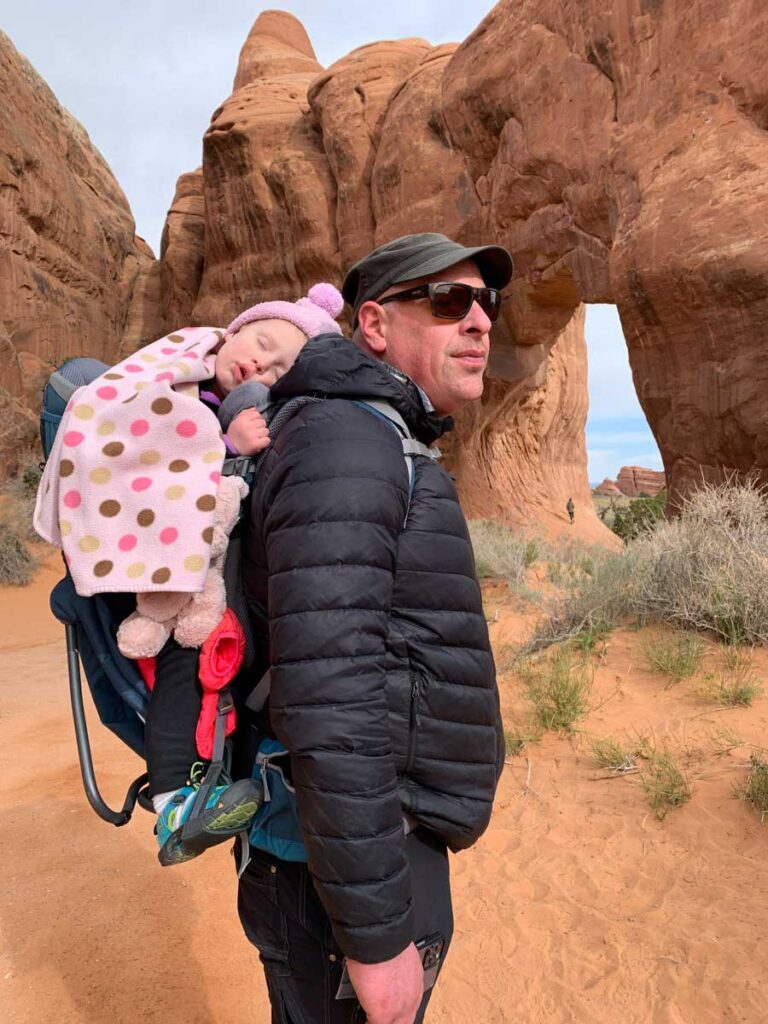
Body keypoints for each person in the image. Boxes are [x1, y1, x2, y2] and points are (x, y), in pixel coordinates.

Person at [233, 233, 513, 1024]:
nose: (479, 323)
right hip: (342, 874)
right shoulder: (347, 442)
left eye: (485, 303)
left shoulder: (379, 437)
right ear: (376, 325)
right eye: (449, 302)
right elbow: (331, 691)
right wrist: (376, 936)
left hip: (373, 849)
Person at [33, 284, 346, 865]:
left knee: (196, 662)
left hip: (191, 576)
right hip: (144, 559)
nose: (259, 362)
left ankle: (186, 795)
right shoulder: (166, 387)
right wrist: (227, 445)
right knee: (186, 657)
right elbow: (137, 455)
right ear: (231, 332)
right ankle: (179, 797)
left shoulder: (252, 413)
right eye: (259, 342)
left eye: (277, 368)